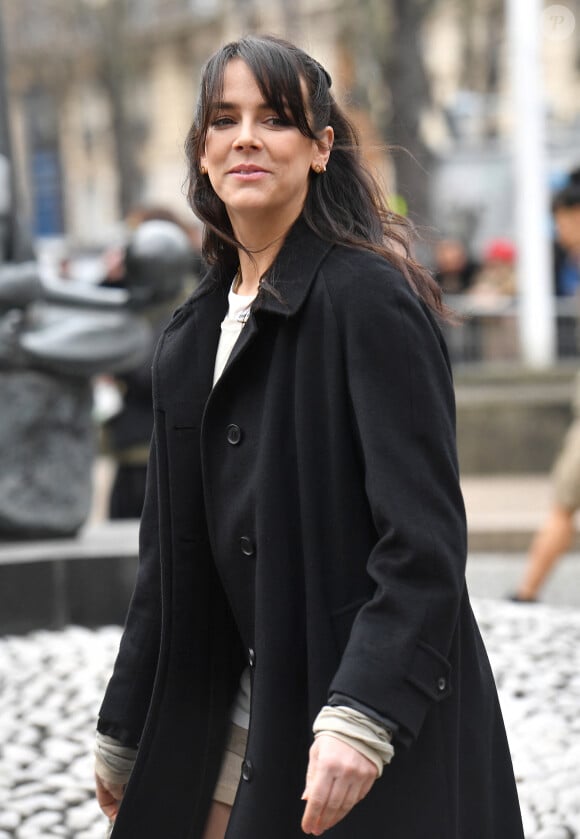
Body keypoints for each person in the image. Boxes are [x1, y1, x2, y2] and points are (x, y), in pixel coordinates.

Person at [94, 35, 524, 839]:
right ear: (202, 149)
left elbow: (423, 543)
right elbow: (170, 560)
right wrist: (124, 724)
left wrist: (364, 712)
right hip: (227, 700)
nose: (246, 137)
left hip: (358, 704)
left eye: (275, 118)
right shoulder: (190, 336)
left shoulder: (370, 300)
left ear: (322, 147)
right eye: (224, 119)